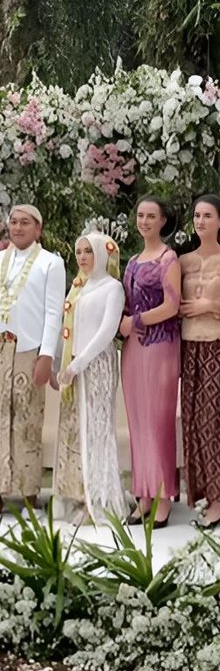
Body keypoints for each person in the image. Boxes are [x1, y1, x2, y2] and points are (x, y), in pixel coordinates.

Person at [54, 232, 128, 525]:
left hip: (96, 366)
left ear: (101, 254)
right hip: (74, 367)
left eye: (89, 251)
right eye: (80, 252)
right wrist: (63, 364)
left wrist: (80, 363)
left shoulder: (113, 288)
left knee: (97, 429)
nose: (83, 257)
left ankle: (101, 498)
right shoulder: (78, 288)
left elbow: (107, 332)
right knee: (78, 431)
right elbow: (67, 328)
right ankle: (81, 494)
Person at [180, 194, 220, 529]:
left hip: (218, 344)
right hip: (188, 346)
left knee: (214, 419)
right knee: (191, 421)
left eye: (208, 215)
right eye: (197, 215)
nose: (201, 221)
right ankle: (202, 493)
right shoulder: (183, 261)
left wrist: (207, 307)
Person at [120, 195, 181, 528]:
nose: (144, 221)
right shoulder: (132, 261)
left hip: (160, 346)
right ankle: (143, 494)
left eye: (151, 216)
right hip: (133, 349)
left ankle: (163, 495)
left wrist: (137, 321)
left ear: (163, 221)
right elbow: (124, 304)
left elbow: (173, 305)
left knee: (158, 421)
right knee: (138, 421)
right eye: (140, 215)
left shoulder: (168, 259)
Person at [0, 204, 66, 510]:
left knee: (27, 418)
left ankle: (28, 491)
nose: (17, 227)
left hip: (29, 349)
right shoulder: (0, 259)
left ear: (38, 228)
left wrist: (47, 356)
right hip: (1, 349)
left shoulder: (51, 263)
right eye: (13, 222)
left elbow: (55, 313)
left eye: (25, 222)